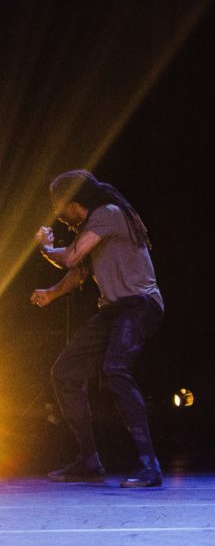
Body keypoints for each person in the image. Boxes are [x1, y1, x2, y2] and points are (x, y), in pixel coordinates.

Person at [32, 170, 165, 487]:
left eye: (58, 205)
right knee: (65, 372)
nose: (57, 213)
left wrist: (46, 247)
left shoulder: (107, 213)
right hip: (114, 310)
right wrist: (52, 293)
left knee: (115, 370)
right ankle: (89, 460)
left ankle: (150, 465)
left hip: (139, 305)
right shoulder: (94, 227)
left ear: (72, 201)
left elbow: (71, 257)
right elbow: (79, 271)